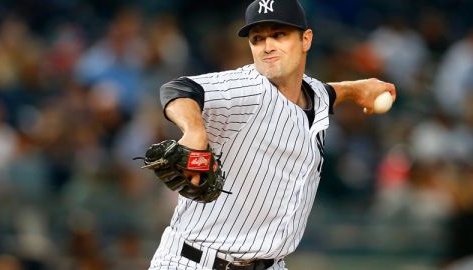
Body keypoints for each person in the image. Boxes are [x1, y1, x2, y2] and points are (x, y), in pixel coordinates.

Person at [149, 0, 396, 269]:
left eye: (279, 35)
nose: (268, 46)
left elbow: (326, 92)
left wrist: (358, 88)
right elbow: (178, 90)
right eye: (258, 39)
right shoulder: (248, 89)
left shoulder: (315, 94)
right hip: (196, 262)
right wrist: (195, 131)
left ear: (306, 40)